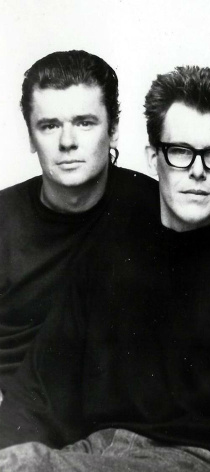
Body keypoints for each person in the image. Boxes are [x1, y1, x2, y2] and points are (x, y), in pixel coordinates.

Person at [0, 67, 210, 472]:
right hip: (93, 452)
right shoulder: (106, 255)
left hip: (195, 459)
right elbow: (39, 389)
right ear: (154, 158)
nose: (197, 170)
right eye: (180, 151)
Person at [0, 50, 158, 388]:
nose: (67, 142)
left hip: (114, 410)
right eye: (49, 126)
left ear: (113, 130)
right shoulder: (3, 219)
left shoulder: (156, 208)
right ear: (30, 137)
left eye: (85, 123)